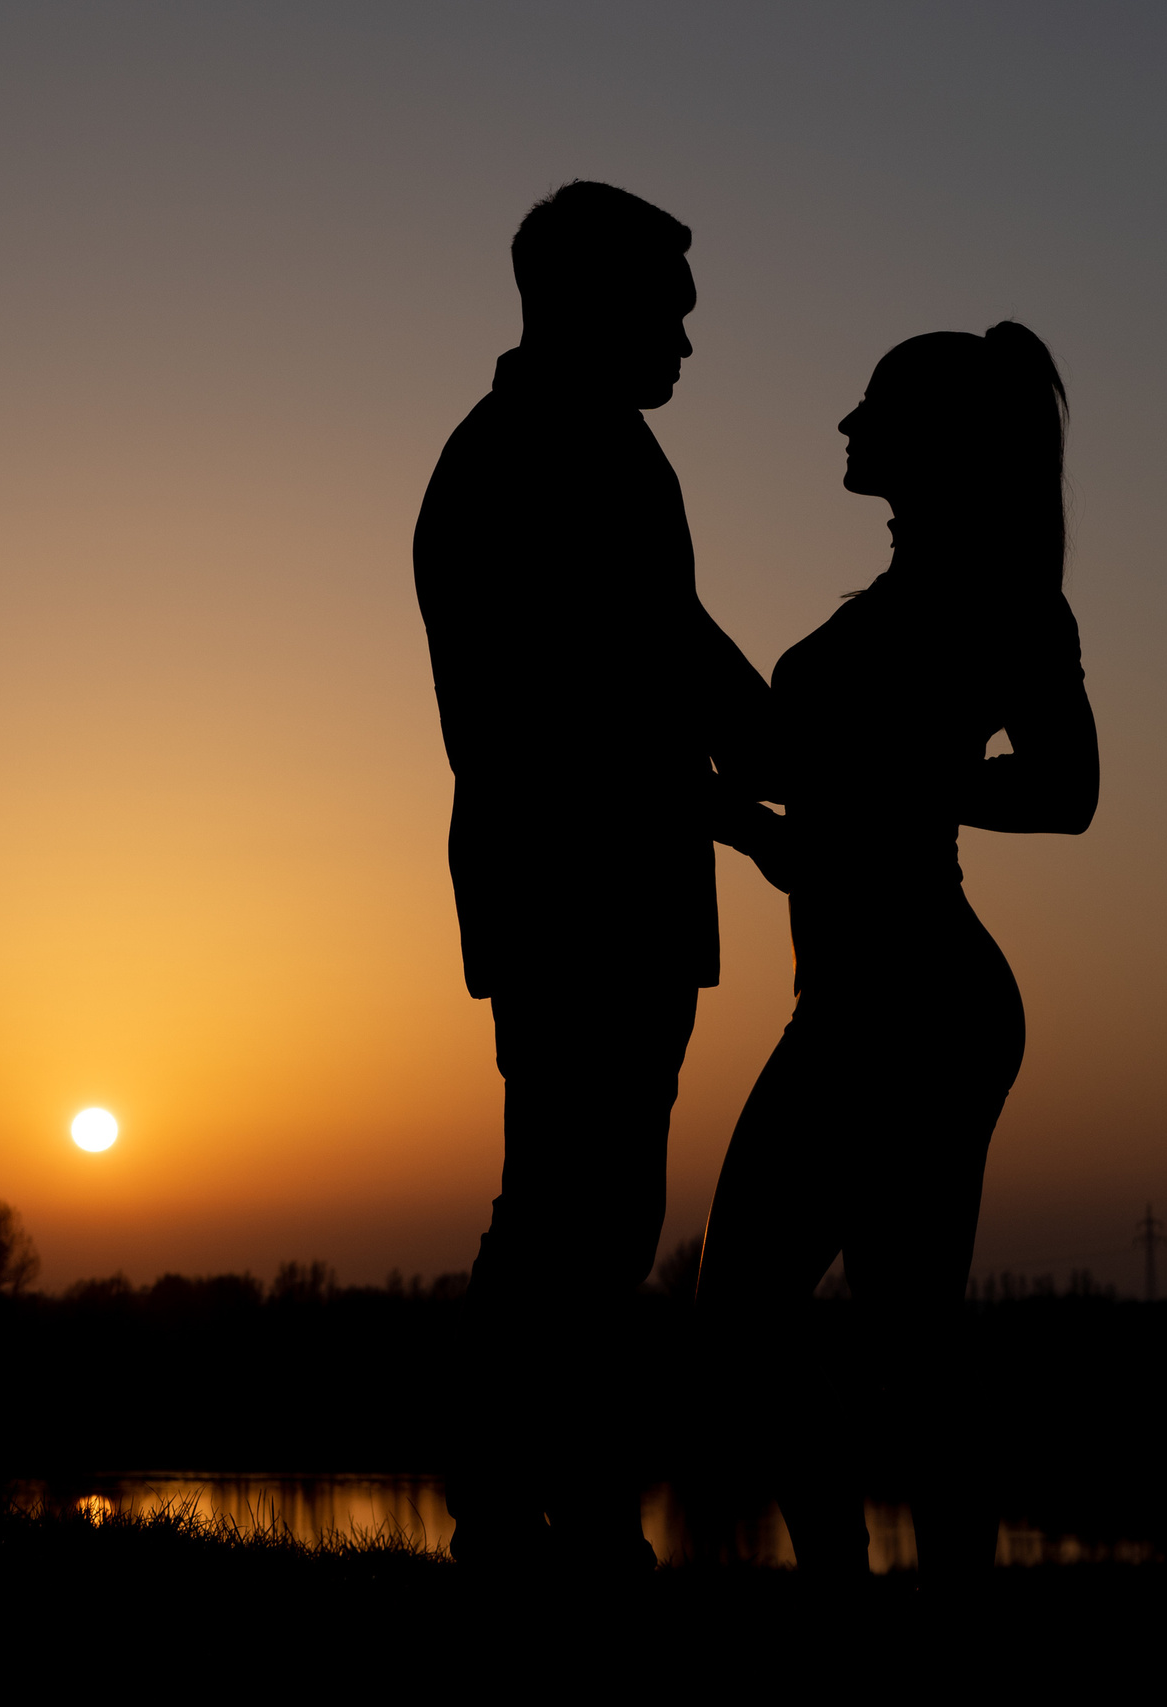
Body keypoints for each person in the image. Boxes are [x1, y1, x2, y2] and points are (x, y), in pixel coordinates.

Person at [698, 323, 1099, 1577]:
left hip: (917, 999)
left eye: (870, 407)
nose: (844, 425)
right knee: (856, 1331)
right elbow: (802, 798)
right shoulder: (886, 605)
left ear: (931, 443)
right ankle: (863, 1577)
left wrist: (907, 780)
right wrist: (744, 820)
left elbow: (1067, 789)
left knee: (790, 1322)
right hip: (860, 993)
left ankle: (860, 1579)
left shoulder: (1002, 599)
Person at [413, 181, 772, 1571]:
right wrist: (756, 804)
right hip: (572, 885)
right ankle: (524, 1510)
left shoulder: (607, 450)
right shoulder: (518, 462)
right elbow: (560, 724)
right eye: (664, 311)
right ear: (583, 304)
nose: (684, 339)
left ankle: (553, 1504)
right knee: (572, 1202)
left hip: (619, 878)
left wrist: (795, 757)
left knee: (600, 1207)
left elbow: (678, 653)